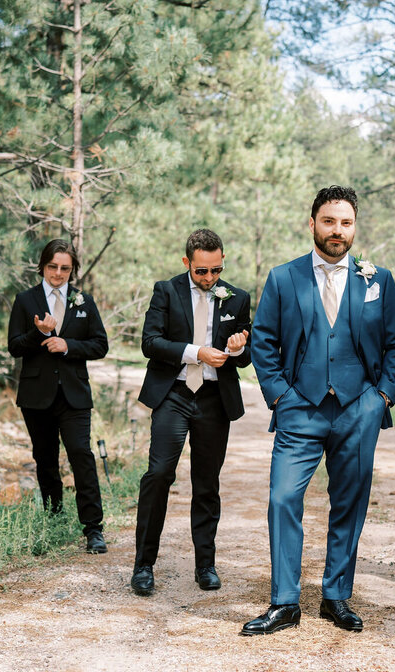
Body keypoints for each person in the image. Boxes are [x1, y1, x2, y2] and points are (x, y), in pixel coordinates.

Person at [241, 185, 395, 635]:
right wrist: (281, 396)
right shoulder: (284, 277)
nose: (338, 231)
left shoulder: (379, 279)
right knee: (282, 498)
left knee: (349, 504)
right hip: (301, 409)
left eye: (346, 223)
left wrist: (381, 400)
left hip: (359, 410)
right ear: (313, 223)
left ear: (354, 226)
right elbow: (263, 343)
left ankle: (336, 596)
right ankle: (284, 602)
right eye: (329, 221)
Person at [131, 229, 252, 596]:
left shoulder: (238, 297)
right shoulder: (165, 291)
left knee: (206, 482)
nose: (210, 278)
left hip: (215, 399)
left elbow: (246, 357)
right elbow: (150, 343)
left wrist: (235, 347)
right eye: (202, 271)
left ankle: (205, 565)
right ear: (187, 263)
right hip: (174, 393)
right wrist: (195, 352)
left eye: (216, 270)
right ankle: (143, 566)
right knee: (159, 473)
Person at [7, 238, 109, 553]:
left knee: (82, 454)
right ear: (43, 266)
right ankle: (53, 519)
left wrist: (68, 345)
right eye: (53, 267)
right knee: (46, 459)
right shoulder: (26, 300)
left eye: (65, 268)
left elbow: (100, 345)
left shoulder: (84, 301)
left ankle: (93, 529)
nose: (58, 273)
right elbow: (13, 346)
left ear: (72, 269)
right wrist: (39, 333)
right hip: (37, 395)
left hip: (75, 395)